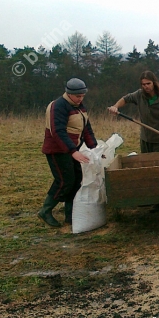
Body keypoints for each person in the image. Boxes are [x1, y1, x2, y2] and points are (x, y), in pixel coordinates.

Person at [108, 71, 159, 211]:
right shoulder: (139, 95)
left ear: (154, 83)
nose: (146, 87)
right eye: (143, 84)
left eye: (148, 84)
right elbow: (125, 98)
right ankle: (148, 197)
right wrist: (116, 107)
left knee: (158, 170)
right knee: (145, 169)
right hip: (145, 138)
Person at [38, 78, 97, 228]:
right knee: (65, 181)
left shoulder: (79, 106)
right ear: (69, 93)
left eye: (83, 96)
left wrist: (94, 148)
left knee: (77, 180)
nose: (81, 99)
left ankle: (70, 216)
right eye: (78, 96)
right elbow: (57, 132)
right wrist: (72, 151)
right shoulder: (58, 106)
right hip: (57, 150)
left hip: (73, 149)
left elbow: (86, 127)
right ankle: (45, 211)